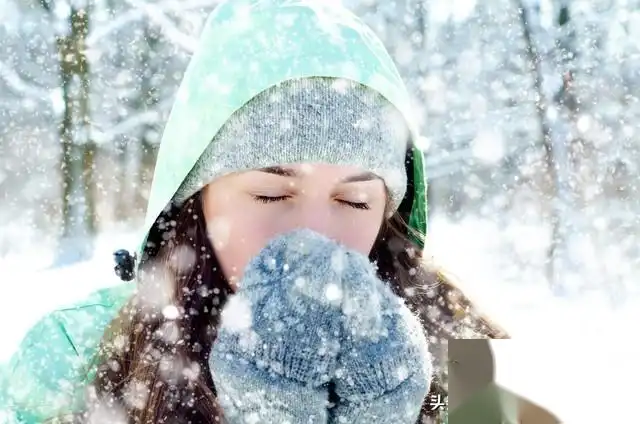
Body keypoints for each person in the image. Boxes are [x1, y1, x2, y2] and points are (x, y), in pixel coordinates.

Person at [0, 0, 508, 423]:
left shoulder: (456, 356)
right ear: (195, 200)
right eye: (271, 194)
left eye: (354, 201)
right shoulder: (76, 356)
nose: (315, 234)